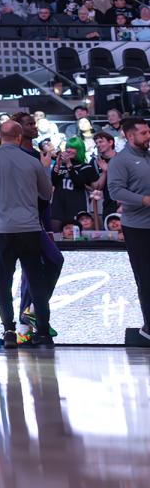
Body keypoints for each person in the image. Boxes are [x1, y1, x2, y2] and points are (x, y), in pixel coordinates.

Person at [0, 119, 55, 347]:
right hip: (29, 228)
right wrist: (44, 170)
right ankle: (44, 332)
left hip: (0, 230)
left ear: (0, 136)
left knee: (3, 282)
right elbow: (46, 194)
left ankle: (9, 330)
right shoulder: (32, 162)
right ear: (19, 137)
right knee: (36, 280)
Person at [108, 116, 150, 344]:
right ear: (131, 135)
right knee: (146, 278)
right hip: (138, 228)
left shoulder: (147, 156)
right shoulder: (120, 161)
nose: (148, 136)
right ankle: (149, 327)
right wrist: (144, 200)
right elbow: (115, 191)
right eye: (144, 133)